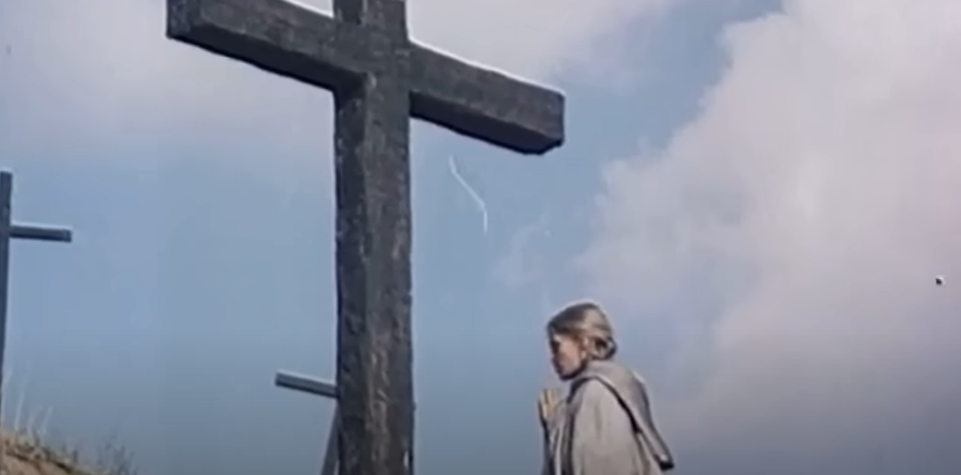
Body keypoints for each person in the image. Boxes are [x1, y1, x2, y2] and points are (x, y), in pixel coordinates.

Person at [537, 301, 674, 475]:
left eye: (557, 346)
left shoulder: (597, 394)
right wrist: (554, 429)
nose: (553, 357)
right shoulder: (596, 392)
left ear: (583, 341)